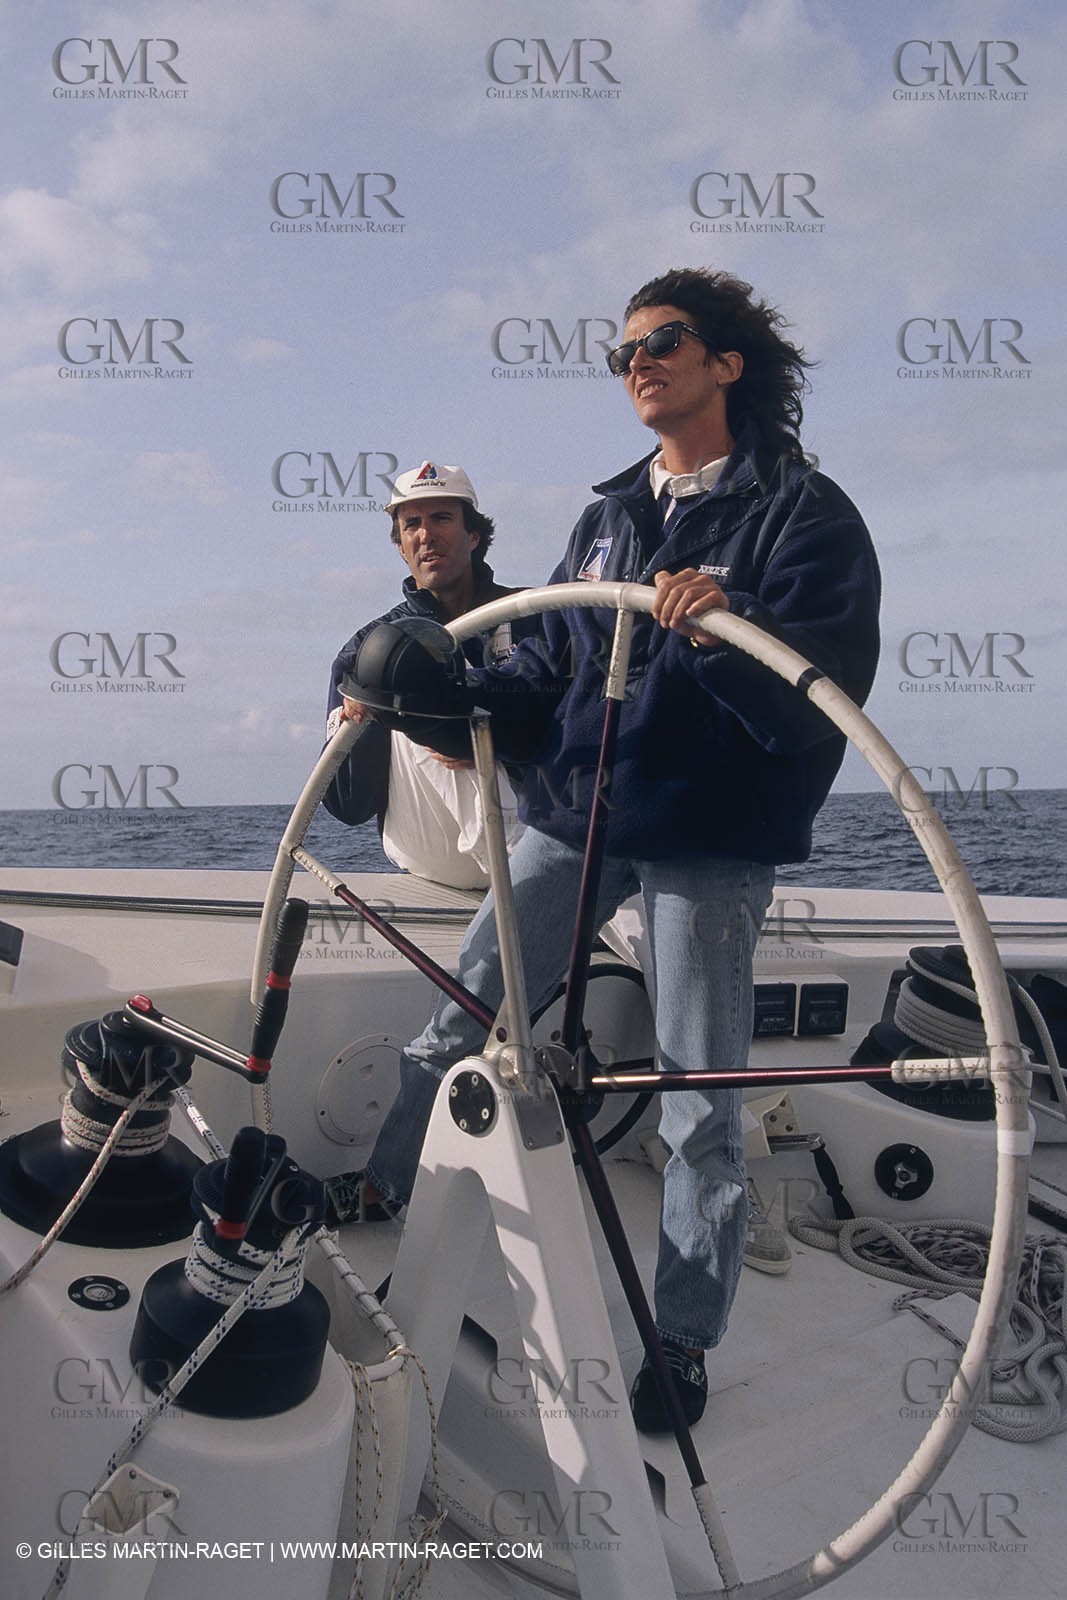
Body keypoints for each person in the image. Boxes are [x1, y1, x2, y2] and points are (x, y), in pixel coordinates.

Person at [359, 268, 881, 1432]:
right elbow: (543, 673)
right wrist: (431, 691)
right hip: (574, 813)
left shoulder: (804, 513)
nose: (637, 361)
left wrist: (718, 630)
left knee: (698, 1102)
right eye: (625, 349)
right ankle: (377, 1190)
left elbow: (821, 690)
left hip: (707, 837)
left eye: (664, 340)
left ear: (726, 363)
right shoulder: (605, 518)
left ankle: (680, 1337)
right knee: (462, 1008)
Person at [322, 461, 533, 890]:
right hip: (433, 840)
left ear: (473, 536)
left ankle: (550, 872)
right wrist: (365, 722)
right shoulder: (365, 649)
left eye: (441, 518)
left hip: (534, 812)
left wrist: (499, 747)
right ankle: (536, 879)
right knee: (402, 673)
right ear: (401, 547)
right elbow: (348, 806)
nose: (426, 535)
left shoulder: (536, 616)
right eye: (411, 524)